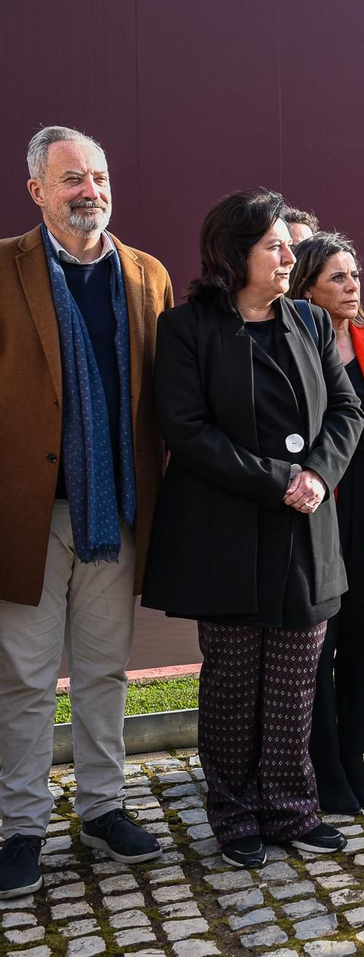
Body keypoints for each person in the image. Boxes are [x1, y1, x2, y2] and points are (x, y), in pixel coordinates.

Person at [141, 189, 364, 868]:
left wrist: (318, 474)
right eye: (276, 246)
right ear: (236, 254)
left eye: (289, 246)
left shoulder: (311, 322)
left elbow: (347, 410)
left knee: (296, 682)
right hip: (226, 535)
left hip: (304, 534)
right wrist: (279, 480)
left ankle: (291, 809)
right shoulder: (187, 328)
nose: (290, 256)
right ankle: (234, 814)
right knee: (234, 685)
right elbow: (186, 429)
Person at [0, 127, 173, 897]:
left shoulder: (146, 274)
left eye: (98, 176)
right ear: (37, 190)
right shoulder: (4, 268)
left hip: (117, 515)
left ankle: (103, 808)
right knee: (25, 680)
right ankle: (22, 827)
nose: (89, 191)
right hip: (27, 516)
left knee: (105, 672)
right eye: (71, 179)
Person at [287, 232, 364, 814]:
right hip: (317, 509)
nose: (352, 285)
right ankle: (324, 763)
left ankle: (355, 755)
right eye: (337, 277)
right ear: (308, 287)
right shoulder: (292, 342)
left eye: (355, 274)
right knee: (322, 643)